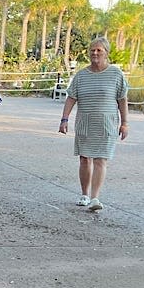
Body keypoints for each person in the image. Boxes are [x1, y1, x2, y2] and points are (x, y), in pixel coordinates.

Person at [58, 36, 128, 211]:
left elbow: (122, 99)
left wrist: (125, 123)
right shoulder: (82, 75)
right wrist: (64, 119)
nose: (95, 53)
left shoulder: (115, 74)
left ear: (106, 53)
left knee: (100, 160)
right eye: (92, 50)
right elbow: (71, 98)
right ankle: (84, 194)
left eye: (99, 50)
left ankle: (95, 198)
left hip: (107, 124)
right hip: (85, 122)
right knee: (84, 159)